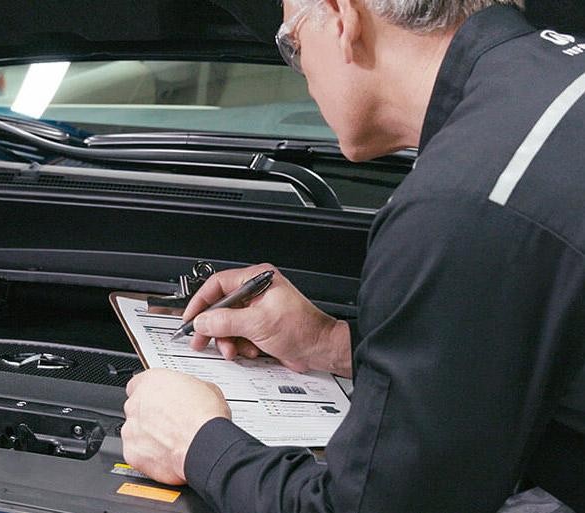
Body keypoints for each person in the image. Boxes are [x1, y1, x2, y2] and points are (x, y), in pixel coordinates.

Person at [121, 0, 585, 511]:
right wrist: (330, 343)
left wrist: (196, 443)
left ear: (343, 18)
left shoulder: (464, 199)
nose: (301, 71)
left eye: (292, 44)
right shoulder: (554, 94)